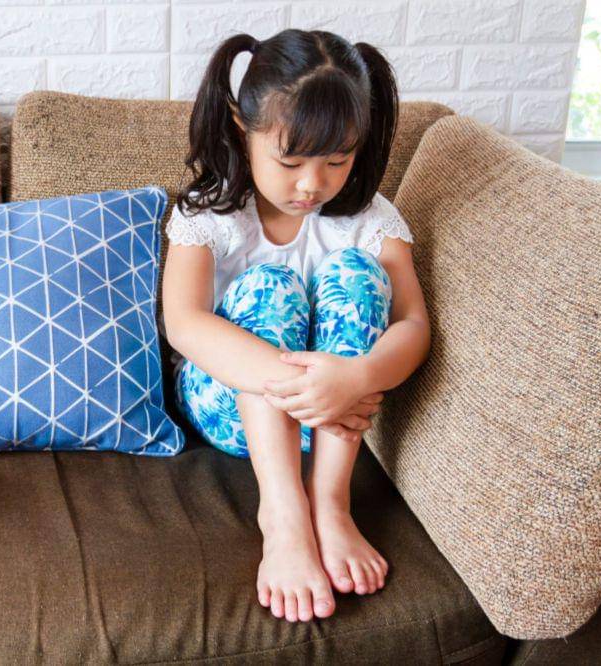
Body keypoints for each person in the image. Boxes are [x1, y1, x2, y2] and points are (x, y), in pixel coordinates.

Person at [160, 29, 432, 624]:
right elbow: (183, 323)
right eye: (291, 162)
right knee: (271, 285)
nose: (313, 184)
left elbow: (413, 324)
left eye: (337, 161)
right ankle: (283, 515)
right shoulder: (210, 214)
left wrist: (359, 375)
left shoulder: (369, 220)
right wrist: (305, 385)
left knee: (359, 274)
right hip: (232, 407)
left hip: (339, 407)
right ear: (243, 129)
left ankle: (330, 505)